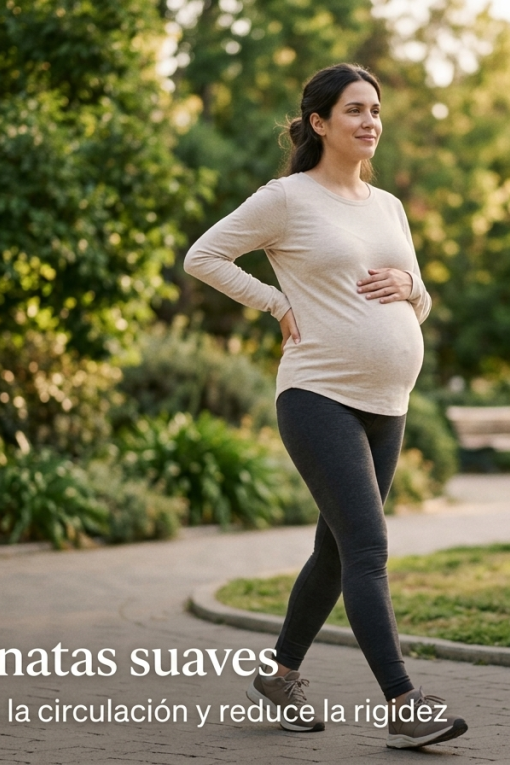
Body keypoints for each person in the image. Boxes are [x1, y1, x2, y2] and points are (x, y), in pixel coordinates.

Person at [183, 62, 468, 750]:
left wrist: (411, 286)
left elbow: (419, 300)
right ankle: (404, 701)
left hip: (387, 399)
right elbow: (203, 254)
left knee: (336, 554)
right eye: (354, 110)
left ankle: (279, 674)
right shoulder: (287, 199)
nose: (370, 121)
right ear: (319, 123)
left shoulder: (390, 206)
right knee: (368, 547)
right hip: (318, 395)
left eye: (375, 110)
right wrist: (277, 302)